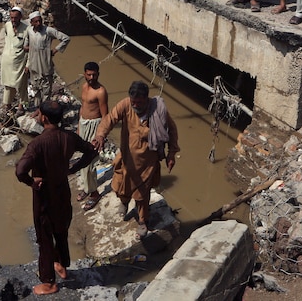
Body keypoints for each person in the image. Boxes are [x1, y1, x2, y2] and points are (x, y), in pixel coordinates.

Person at [15, 100, 98, 296]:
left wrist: (31, 182)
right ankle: (61, 265)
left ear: (43, 118)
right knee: (60, 229)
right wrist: (73, 169)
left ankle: (49, 282)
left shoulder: (37, 144)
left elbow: (20, 171)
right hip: (62, 191)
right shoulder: (69, 137)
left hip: (44, 195)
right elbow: (91, 151)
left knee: (44, 237)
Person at [93, 81, 180, 238]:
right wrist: (100, 134)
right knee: (120, 185)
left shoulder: (158, 109)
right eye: (134, 102)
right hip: (126, 158)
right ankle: (124, 202)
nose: (136, 105)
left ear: (146, 99)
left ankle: (142, 220)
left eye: (139, 103)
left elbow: (172, 130)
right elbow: (110, 119)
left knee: (141, 195)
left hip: (147, 161)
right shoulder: (126, 105)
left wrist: (171, 153)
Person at [76, 62, 108, 211]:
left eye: (94, 74)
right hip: (83, 125)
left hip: (95, 127)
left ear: (98, 74)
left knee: (90, 163)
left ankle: (94, 194)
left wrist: (100, 135)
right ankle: (87, 188)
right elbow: (83, 107)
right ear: (84, 74)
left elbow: (105, 116)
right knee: (82, 160)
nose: (91, 77)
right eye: (88, 74)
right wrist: (78, 126)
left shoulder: (101, 91)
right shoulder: (83, 87)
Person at [24, 11, 70, 106]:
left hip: (46, 65)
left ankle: (44, 110)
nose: (38, 23)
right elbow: (26, 46)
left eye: (40, 21)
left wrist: (55, 50)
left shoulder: (48, 31)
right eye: (36, 22)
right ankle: (38, 109)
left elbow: (66, 38)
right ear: (31, 23)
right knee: (36, 89)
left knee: (46, 90)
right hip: (34, 65)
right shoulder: (29, 31)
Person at [1, 6, 29, 111]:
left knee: (21, 84)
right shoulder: (7, 26)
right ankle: (7, 105)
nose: (13, 20)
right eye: (11, 18)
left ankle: (21, 106)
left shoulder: (27, 30)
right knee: (8, 85)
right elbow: (7, 37)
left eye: (15, 18)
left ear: (20, 17)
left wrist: (28, 65)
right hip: (7, 61)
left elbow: (30, 49)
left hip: (20, 62)